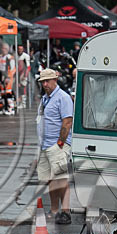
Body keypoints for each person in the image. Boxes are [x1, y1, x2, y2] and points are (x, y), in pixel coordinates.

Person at [36, 68, 73, 224]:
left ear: (55, 80)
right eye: (43, 82)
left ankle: (65, 211)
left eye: (47, 81)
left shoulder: (62, 98)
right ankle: (54, 209)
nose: (45, 84)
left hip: (57, 144)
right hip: (45, 144)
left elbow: (67, 121)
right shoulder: (46, 98)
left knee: (61, 179)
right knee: (50, 179)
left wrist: (60, 143)